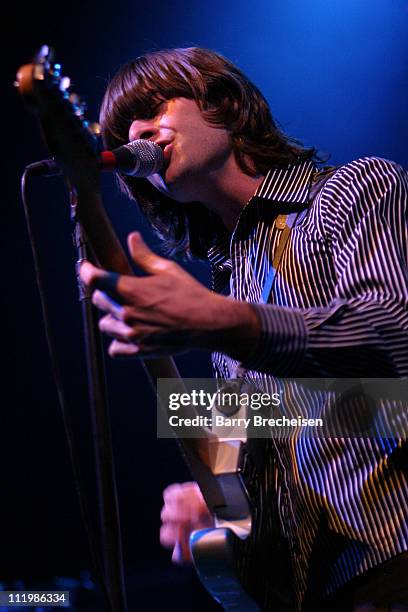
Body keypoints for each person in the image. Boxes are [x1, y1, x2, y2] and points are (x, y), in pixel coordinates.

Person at [79, 48, 408, 611]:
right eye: (122, 128)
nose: (135, 130)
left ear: (225, 104)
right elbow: (279, 429)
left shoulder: (353, 189)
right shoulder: (226, 280)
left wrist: (221, 322)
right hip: (308, 593)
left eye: (152, 107)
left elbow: (394, 334)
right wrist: (216, 502)